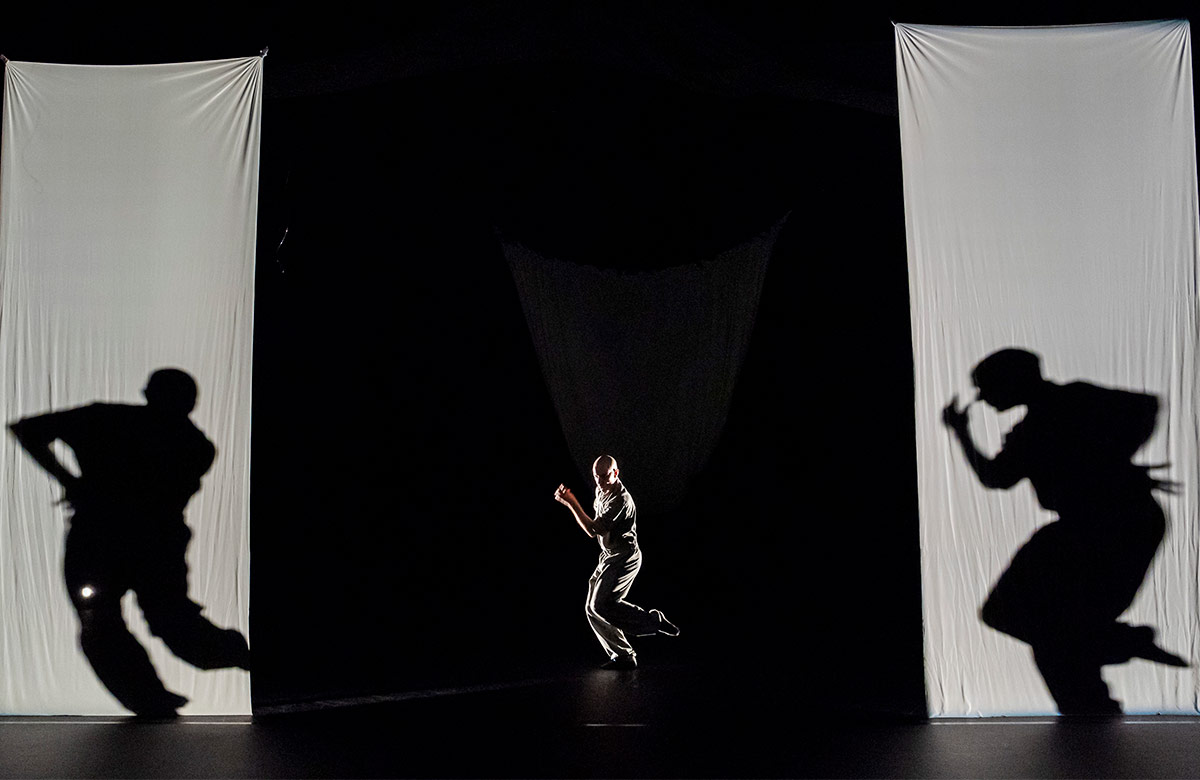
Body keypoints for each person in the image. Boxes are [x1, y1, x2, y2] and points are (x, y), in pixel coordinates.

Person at [942, 348, 1186, 714]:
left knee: (1042, 628)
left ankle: (1104, 679)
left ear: (1013, 380)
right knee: (1035, 625)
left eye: (986, 386)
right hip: (1098, 526)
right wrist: (1114, 461)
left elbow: (1145, 407)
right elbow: (997, 477)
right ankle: (1113, 657)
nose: (982, 397)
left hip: (1113, 527)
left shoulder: (1067, 405)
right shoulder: (1036, 427)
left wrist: (1111, 462)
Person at [8, 368, 251, 717]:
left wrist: (72, 482)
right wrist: (75, 483)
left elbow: (28, 430)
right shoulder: (193, 445)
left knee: (108, 622)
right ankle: (159, 696)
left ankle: (153, 697)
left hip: (107, 539)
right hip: (144, 543)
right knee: (153, 624)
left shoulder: (108, 421)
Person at [554, 455, 678, 669]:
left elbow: (593, 530)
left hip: (625, 557)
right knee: (592, 608)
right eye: (596, 477)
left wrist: (571, 502)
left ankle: (652, 622)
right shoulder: (601, 490)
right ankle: (623, 655)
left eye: (605, 477)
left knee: (600, 605)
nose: (600, 482)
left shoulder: (621, 499)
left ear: (616, 473)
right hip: (609, 555)